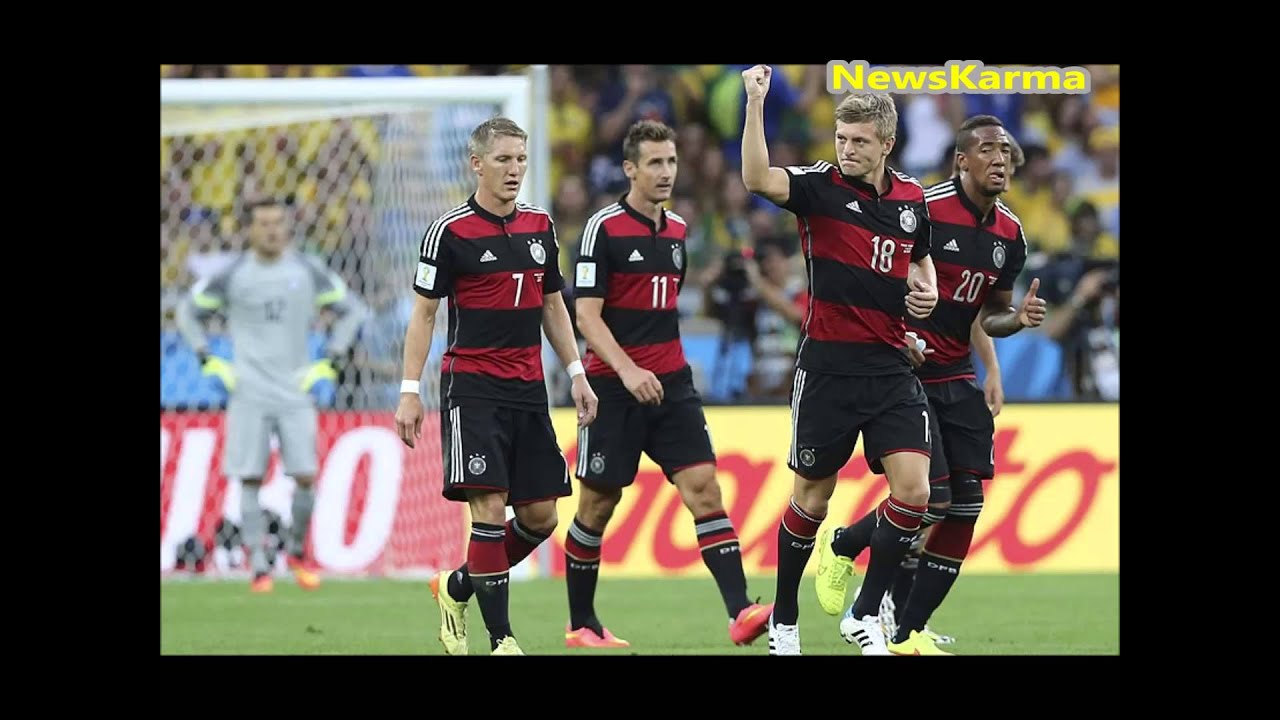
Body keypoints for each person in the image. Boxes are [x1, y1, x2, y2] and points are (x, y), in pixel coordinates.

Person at [813, 115, 1046, 655]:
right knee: (932, 498)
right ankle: (851, 566)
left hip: (957, 374)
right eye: (987, 149)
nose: (999, 158)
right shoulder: (924, 209)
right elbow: (873, 274)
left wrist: (1017, 323)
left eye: (1005, 151)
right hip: (904, 371)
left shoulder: (1010, 234)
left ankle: (906, 630)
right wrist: (897, 335)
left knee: (966, 505)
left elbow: (988, 313)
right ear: (961, 160)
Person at [739, 64, 940, 656]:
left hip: (890, 366)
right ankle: (785, 620)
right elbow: (756, 177)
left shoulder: (911, 199)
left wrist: (927, 289)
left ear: (887, 144)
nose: (847, 149)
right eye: (841, 138)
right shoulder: (819, 188)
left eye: (859, 141)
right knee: (812, 499)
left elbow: (919, 258)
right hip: (827, 368)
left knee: (916, 493)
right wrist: (756, 103)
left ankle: (864, 613)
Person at [394, 117, 599, 656]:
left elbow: (552, 305)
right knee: (488, 509)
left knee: (540, 517)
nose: (515, 169)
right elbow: (423, 316)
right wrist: (410, 389)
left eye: (521, 159)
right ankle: (502, 640)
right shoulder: (449, 231)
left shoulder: (539, 225)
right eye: (504, 159)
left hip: (528, 388)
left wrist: (576, 372)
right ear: (477, 164)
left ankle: (456, 586)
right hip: (473, 388)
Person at [569, 120, 773, 649]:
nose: (666, 172)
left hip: (671, 383)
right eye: (655, 163)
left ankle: (741, 612)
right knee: (597, 505)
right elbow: (586, 316)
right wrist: (628, 370)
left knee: (704, 487)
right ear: (630, 169)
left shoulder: (679, 230)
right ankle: (582, 624)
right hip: (614, 386)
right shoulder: (603, 229)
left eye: (672, 162)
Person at [176, 197, 369, 593]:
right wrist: (208, 359)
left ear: (287, 226)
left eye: (278, 222)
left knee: (305, 476)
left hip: (295, 390)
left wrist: (330, 360)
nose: (271, 230)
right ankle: (259, 568)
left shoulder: (307, 270)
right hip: (248, 390)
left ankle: (295, 554)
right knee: (249, 478)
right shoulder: (233, 274)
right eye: (263, 223)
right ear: (250, 229)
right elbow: (186, 311)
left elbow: (353, 310)